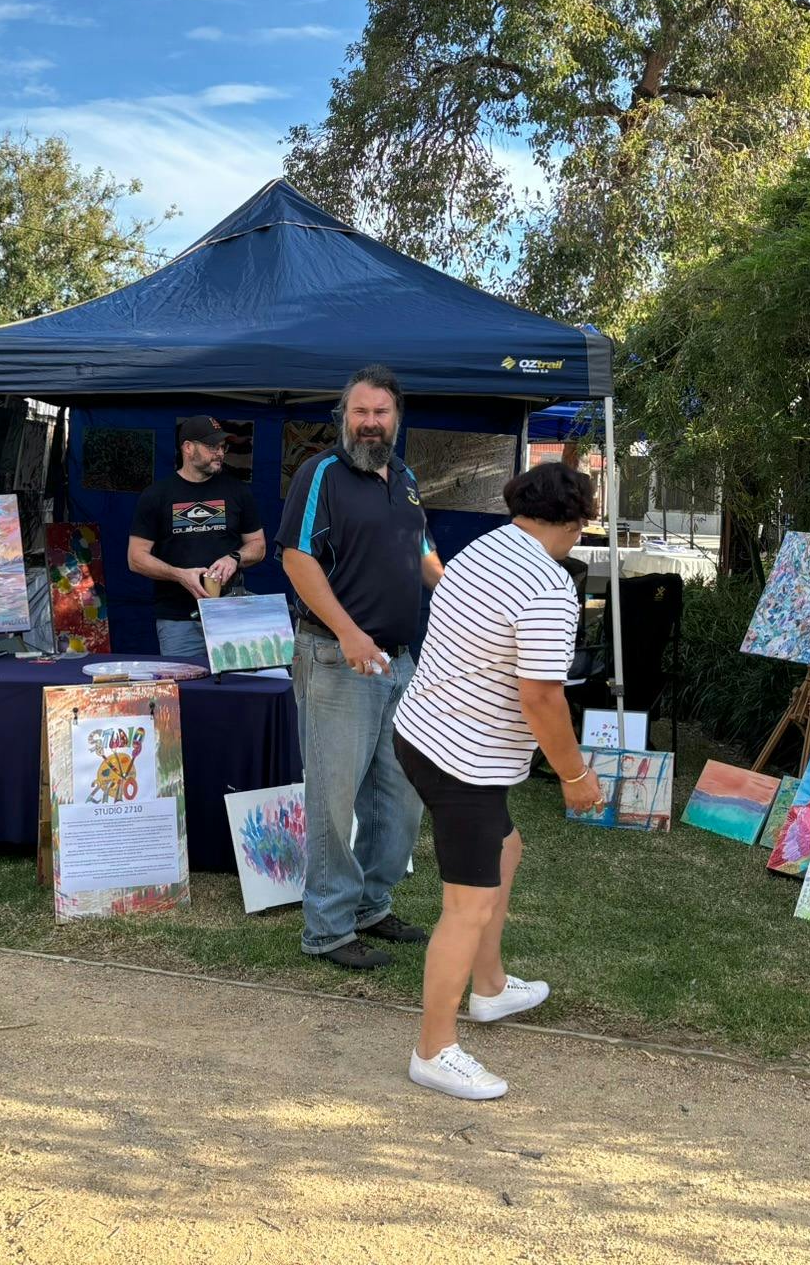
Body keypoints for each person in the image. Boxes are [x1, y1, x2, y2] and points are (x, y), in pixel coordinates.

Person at [392, 461, 601, 1099]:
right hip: (463, 758)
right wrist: (575, 774)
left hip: (426, 732)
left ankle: (488, 988)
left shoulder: (487, 546)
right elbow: (541, 697)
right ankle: (434, 1048)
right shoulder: (549, 584)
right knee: (468, 905)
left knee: (505, 848)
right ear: (573, 521)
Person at [279, 364, 443, 969]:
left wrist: (460, 598)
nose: (371, 423)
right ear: (343, 418)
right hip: (336, 659)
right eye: (360, 412)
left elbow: (421, 549)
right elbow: (297, 559)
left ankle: (372, 904)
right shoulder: (320, 473)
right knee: (335, 800)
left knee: (398, 798)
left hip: (402, 664)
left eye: (381, 413)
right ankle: (326, 928)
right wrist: (348, 632)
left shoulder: (404, 477)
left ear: (397, 419)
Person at [127, 415, 266, 659]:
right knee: (188, 692)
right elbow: (136, 558)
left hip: (231, 616)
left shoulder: (238, 491)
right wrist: (179, 575)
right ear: (188, 448)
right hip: (178, 621)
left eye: (223, 447)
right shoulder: (157, 495)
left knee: (241, 690)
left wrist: (234, 557)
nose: (220, 453)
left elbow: (258, 546)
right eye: (212, 447)